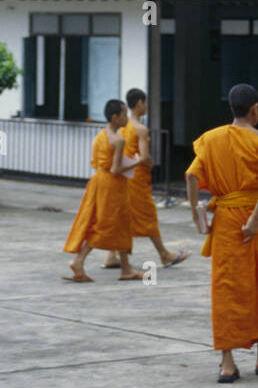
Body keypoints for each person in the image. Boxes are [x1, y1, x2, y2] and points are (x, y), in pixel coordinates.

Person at [185, 83, 258, 383]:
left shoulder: (211, 139)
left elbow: (191, 175)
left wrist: (195, 214)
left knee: (226, 286)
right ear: (255, 108)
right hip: (257, 219)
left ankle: (228, 363)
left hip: (226, 219)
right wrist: (254, 218)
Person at [102, 88, 187, 272]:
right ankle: (164, 254)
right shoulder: (140, 129)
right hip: (137, 177)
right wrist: (151, 164)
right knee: (148, 215)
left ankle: (111, 255)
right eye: (145, 102)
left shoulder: (121, 127)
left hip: (123, 176)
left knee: (123, 216)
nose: (147, 106)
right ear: (139, 103)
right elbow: (145, 156)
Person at [63, 99, 144, 282]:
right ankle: (79, 260)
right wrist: (138, 162)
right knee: (105, 225)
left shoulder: (100, 135)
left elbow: (98, 161)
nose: (126, 118)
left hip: (99, 180)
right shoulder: (118, 139)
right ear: (115, 117)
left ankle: (126, 268)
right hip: (112, 184)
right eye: (123, 114)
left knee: (120, 222)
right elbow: (115, 169)